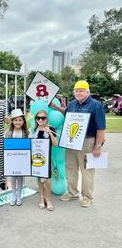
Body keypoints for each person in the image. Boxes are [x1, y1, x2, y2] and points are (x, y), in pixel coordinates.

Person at [51, 80, 106, 208]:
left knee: (87, 170)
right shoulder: (73, 104)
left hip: (88, 141)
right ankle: (72, 192)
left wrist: (97, 146)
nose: (78, 93)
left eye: (81, 90)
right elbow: (67, 113)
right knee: (71, 167)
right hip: (71, 140)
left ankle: (87, 197)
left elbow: (101, 128)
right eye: (76, 90)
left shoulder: (95, 105)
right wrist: (57, 108)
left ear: (88, 91)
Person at [33, 110, 58, 211]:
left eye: (43, 118)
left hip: (47, 159)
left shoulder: (51, 128)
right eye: (38, 118)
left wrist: (50, 134)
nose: (40, 120)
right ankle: (41, 198)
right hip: (36, 158)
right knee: (39, 179)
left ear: (46, 119)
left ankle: (48, 199)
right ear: (36, 119)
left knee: (47, 181)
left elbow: (55, 144)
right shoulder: (35, 129)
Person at [4, 108, 29, 206]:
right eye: (15, 120)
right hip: (12, 159)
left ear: (23, 121)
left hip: (22, 158)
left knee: (20, 176)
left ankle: (19, 195)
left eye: (20, 120)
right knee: (13, 176)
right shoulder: (8, 133)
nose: (18, 122)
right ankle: (13, 195)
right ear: (12, 121)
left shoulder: (26, 133)